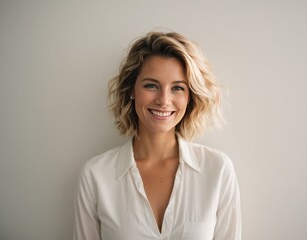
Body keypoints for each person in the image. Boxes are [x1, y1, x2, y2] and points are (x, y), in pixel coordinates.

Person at [73, 31, 241, 240]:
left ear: (190, 97)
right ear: (132, 89)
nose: (164, 100)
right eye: (151, 85)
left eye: (177, 88)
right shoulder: (95, 175)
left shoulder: (217, 170)